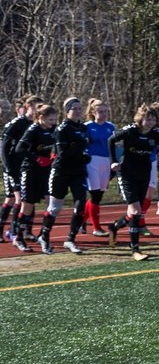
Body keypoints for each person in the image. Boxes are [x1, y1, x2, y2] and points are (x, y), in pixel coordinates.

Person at [107, 105, 159, 260]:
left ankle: (114, 227)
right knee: (135, 212)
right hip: (127, 174)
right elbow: (111, 140)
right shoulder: (131, 130)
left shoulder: (155, 135)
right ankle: (135, 249)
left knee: (135, 212)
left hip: (144, 174)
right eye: (148, 118)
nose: (150, 121)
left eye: (153, 119)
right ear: (141, 119)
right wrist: (113, 161)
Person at [39, 98, 91, 254]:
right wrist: (79, 149)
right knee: (55, 207)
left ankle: (70, 239)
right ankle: (44, 236)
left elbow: (84, 146)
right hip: (61, 171)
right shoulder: (62, 128)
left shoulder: (82, 127)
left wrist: (82, 153)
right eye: (74, 108)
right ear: (67, 111)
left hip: (78, 171)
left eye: (79, 108)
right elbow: (63, 154)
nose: (78, 111)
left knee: (80, 204)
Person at [11, 103, 58, 252]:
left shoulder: (54, 130)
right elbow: (19, 149)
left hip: (46, 171)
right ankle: (18, 238)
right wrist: (36, 158)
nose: (53, 123)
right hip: (30, 171)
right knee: (27, 205)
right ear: (41, 118)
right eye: (50, 120)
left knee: (52, 203)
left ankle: (43, 236)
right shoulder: (33, 130)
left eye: (54, 120)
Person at [1, 94, 39, 242]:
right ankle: (11, 230)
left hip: (28, 167)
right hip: (13, 167)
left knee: (30, 198)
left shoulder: (37, 124)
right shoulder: (17, 123)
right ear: (27, 107)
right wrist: (8, 167)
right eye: (36, 107)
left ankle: (26, 230)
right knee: (14, 199)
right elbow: (4, 147)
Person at [83, 99, 116, 237]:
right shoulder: (87, 126)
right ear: (93, 112)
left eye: (105, 111)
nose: (104, 114)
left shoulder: (111, 126)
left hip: (106, 161)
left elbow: (115, 145)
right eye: (100, 112)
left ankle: (81, 220)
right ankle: (96, 228)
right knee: (95, 194)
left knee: (99, 194)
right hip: (92, 161)